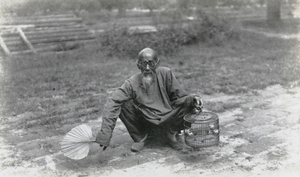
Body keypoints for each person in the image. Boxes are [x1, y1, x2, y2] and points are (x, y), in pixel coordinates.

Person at [95, 48, 203, 152]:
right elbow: (112, 101)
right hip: (146, 121)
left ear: (157, 63)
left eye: (151, 63)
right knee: (121, 103)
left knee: (191, 102)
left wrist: (193, 99)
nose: (147, 68)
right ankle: (140, 137)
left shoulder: (166, 73)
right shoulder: (131, 83)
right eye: (143, 64)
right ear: (138, 65)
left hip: (169, 118)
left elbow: (180, 98)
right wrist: (105, 134)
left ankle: (171, 134)